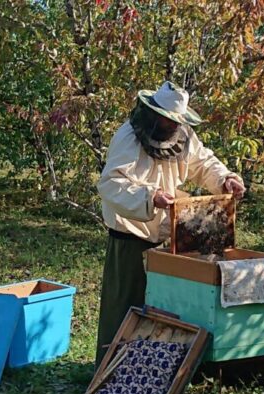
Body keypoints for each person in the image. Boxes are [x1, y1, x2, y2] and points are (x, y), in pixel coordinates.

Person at [95, 81, 246, 365]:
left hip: (169, 236)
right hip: (130, 236)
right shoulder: (128, 137)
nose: (169, 123)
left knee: (164, 309)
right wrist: (150, 197)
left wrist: (225, 178)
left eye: (174, 120)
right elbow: (111, 184)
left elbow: (203, 163)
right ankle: (112, 374)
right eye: (165, 118)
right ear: (152, 113)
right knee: (125, 309)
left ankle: (154, 370)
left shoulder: (184, 135)